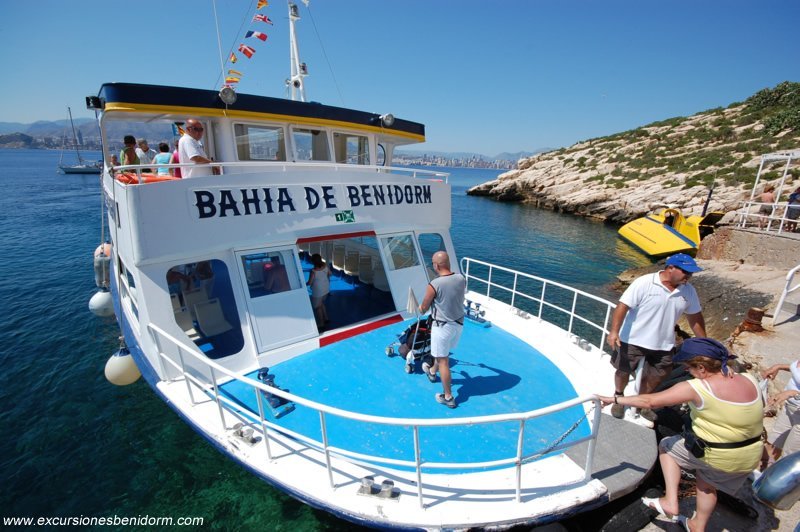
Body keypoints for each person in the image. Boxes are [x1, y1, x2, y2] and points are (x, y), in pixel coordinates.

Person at [598, 338, 764, 532]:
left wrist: (614, 398)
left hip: (719, 455)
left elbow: (650, 401)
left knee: (667, 447)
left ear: (702, 368)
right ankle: (697, 526)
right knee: (707, 484)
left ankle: (670, 501)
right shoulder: (750, 379)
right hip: (750, 456)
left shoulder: (696, 388)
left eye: (688, 367)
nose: (686, 371)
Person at [606, 253, 706, 422]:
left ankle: (644, 402)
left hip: (664, 344)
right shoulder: (644, 283)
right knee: (623, 370)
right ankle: (619, 397)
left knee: (659, 374)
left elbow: (695, 317)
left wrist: (704, 343)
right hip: (633, 339)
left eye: (691, 272)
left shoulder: (688, 291)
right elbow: (622, 306)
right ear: (670, 268)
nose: (689, 276)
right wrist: (614, 331)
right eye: (686, 271)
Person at [419, 251, 466, 408]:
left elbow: (423, 307)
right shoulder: (461, 279)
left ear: (436, 265)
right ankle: (432, 372)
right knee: (442, 354)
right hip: (458, 325)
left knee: (443, 360)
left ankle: (448, 397)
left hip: (442, 326)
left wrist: (420, 307)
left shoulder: (434, 284)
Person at [761, 359, 800, 464]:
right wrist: (779, 366)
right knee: (772, 444)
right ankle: (763, 476)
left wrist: (794, 393)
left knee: (789, 457)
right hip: (790, 408)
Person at [306, 254, 330, 328]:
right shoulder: (325, 266)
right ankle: (326, 318)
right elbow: (330, 274)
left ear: (313, 261)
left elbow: (309, 282)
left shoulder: (313, 271)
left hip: (318, 291)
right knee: (321, 303)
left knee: (317, 307)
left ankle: (321, 323)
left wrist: (303, 284)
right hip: (326, 288)